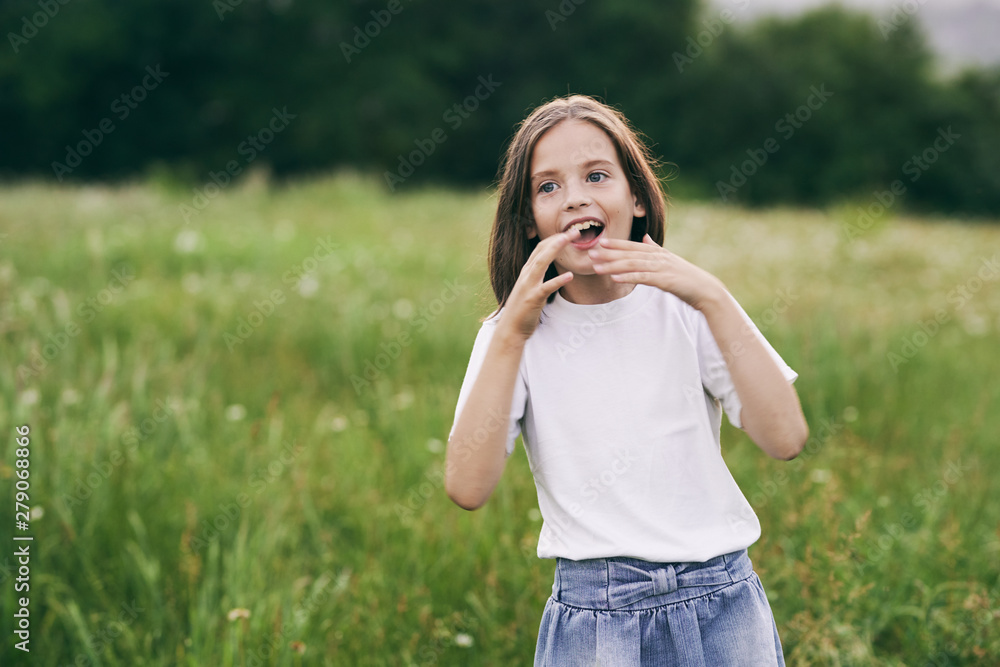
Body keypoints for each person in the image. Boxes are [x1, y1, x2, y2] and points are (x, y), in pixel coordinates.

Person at [445, 94, 809, 666]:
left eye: (596, 175)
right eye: (548, 187)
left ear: (635, 196)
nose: (576, 198)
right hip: (594, 622)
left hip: (722, 605)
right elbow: (467, 487)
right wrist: (511, 338)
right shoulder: (512, 333)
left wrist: (712, 295)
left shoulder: (691, 307)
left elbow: (785, 438)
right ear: (528, 219)